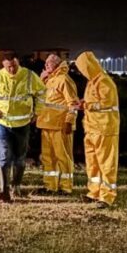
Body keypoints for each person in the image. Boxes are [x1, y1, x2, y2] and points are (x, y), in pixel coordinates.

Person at [0, 51, 46, 202]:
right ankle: (4, 190)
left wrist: (37, 112)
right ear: (3, 65)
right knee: (4, 157)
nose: (11, 69)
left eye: (14, 66)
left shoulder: (29, 76)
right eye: (8, 66)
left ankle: (16, 186)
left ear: (18, 63)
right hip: (2, 123)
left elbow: (42, 93)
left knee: (20, 159)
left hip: (22, 124)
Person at [73, 51, 121, 208]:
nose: (81, 72)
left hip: (105, 129)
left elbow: (105, 104)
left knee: (106, 164)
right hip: (92, 128)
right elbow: (93, 102)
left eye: (82, 68)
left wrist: (85, 105)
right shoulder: (92, 82)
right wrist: (83, 103)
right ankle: (94, 192)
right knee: (93, 163)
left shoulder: (104, 82)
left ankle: (107, 196)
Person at [35, 54, 79, 195]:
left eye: (49, 63)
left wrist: (69, 121)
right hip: (46, 124)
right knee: (48, 158)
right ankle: (50, 186)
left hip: (60, 125)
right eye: (46, 63)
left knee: (63, 157)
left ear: (57, 64)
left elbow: (73, 103)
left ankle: (66, 187)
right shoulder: (49, 80)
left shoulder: (64, 80)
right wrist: (41, 79)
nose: (46, 65)